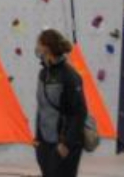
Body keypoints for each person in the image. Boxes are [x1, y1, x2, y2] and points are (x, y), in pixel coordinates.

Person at [34, 29, 88, 177]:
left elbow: (79, 113)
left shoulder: (69, 75)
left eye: (39, 44)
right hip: (45, 142)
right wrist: (37, 139)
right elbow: (42, 108)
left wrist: (67, 143)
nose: (36, 48)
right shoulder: (43, 74)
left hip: (64, 143)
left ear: (47, 48)